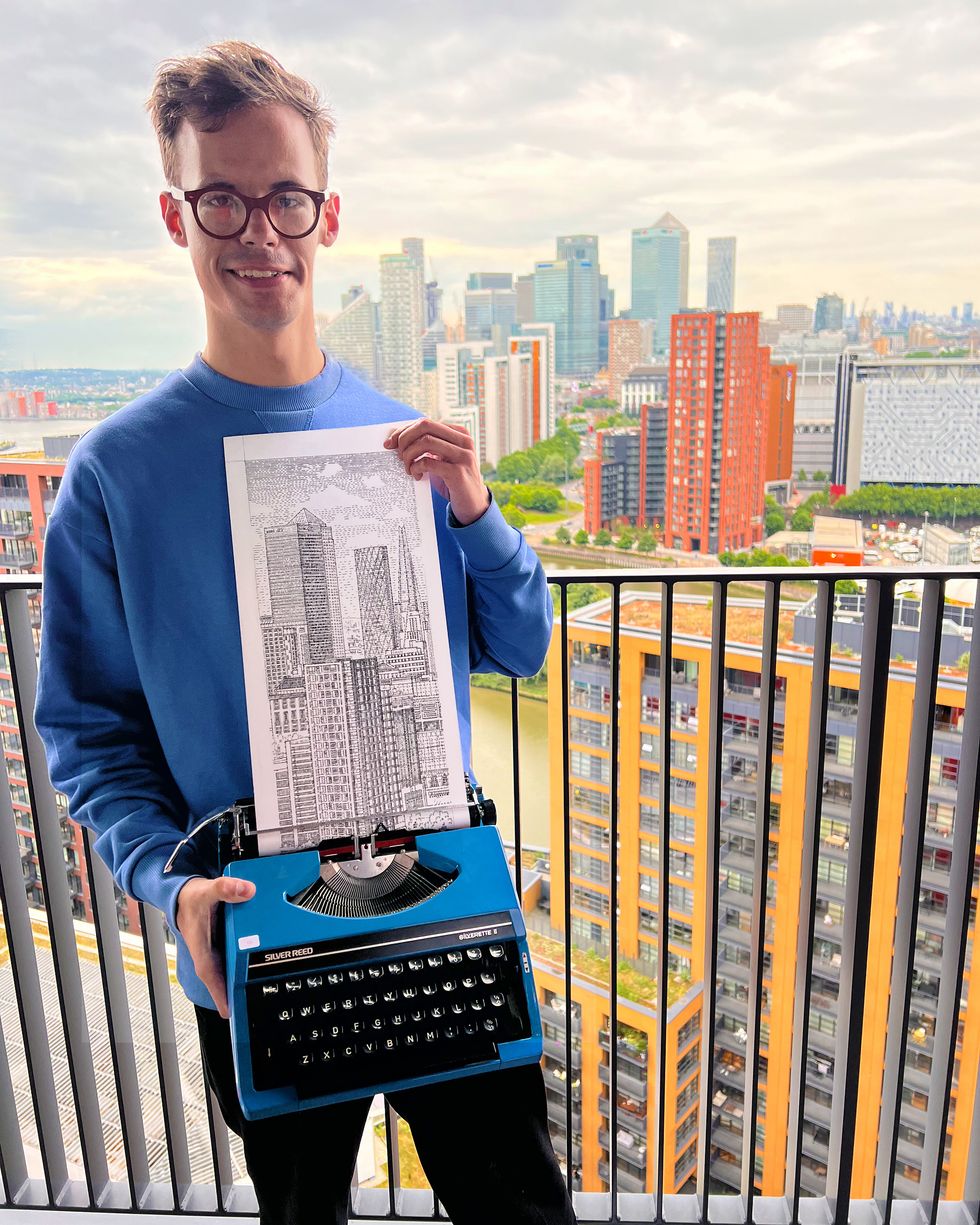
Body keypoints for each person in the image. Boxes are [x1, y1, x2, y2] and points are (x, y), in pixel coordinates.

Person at [34, 40, 575, 1225]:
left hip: (438, 891)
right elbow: (84, 734)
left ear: (327, 215)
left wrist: (476, 512)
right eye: (218, 198)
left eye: (282, 197)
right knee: (300, 1213)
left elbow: (521, 647)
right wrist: (163, 879)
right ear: (175, 217)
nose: (256, 231)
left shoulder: (403, 444)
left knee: (516, 1202)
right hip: (249, 926)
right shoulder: (113, 475)